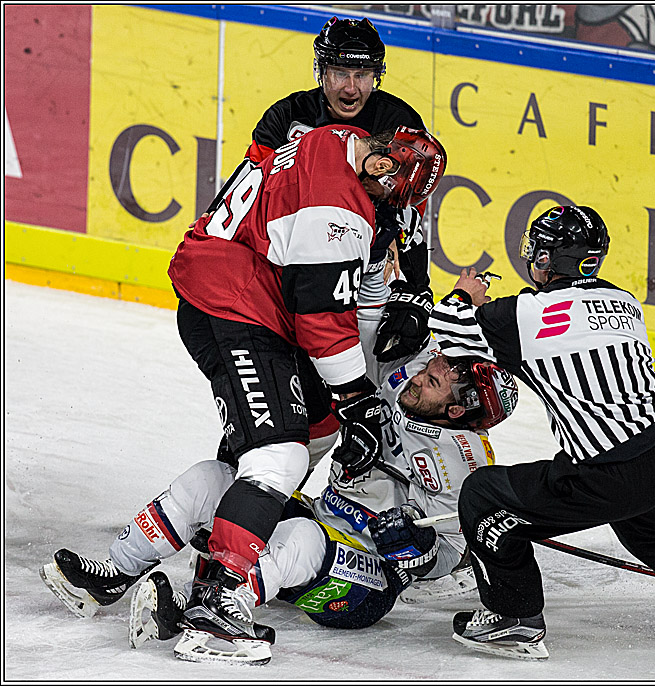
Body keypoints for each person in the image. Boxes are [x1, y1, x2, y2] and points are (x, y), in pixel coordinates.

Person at [427, 205, 655, 660]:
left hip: (603, 472)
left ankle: (512, 618)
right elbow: (557, 324)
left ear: (545, 259)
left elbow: (449, 332)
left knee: (484, 497)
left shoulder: (522, 315)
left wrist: (462, 295)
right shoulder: (623, 301)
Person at [40, 333, 518, 665]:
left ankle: (221, 613)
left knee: (302, 535)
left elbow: (454, 552)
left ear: (456, 411)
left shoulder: (466, 462)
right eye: (429, 371)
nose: (415, 380)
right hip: (315, 521)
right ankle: (114, 574)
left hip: (366, 583)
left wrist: (417, 547)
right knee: (212, 480)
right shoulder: (403, 381)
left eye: (431, 383)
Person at [158, 123, 445, 656]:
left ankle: (137, 563)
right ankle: (216, 603)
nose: (390, 206)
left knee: (305, 433)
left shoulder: (335, 138)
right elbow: (318, 319)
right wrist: (359, 398)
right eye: (393, 192)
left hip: (234, 291)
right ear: (381, 166)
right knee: (277, 458)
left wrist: (349, 396)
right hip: (237, 302)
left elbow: (351, 297)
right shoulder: (338, 210)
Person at [209, 16, 435, 363]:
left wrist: (416, 293)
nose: (351, 88)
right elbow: (249, 196)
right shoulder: (286, 117)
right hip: (289, 265)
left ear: (377, 76)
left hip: (363, 270)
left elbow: (410, 214)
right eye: (340, 73)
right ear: (320, 71)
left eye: (363, 76)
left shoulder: (398, 123)